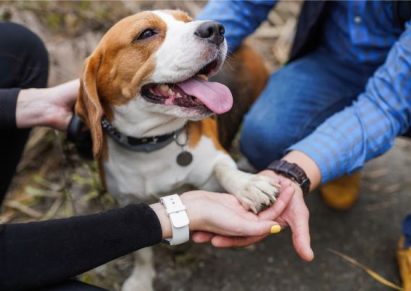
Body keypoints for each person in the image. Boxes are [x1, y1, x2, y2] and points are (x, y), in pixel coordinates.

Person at [0, 22, 289, 291]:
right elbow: (130, 209)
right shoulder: (102, 136)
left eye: (184, 21)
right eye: (148, 34)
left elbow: (217, 164)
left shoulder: (203, 111)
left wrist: (233, 178)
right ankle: (144, 269)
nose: (206, 28)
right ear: (100, 78)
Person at [196, 0, 411, 289]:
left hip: (400, 89)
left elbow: (385, 106)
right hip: (335, 63)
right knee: (265, 136)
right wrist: (185, 51)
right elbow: (243, 3)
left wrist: (294, 170)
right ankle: (341, 161)